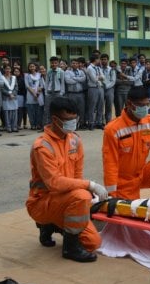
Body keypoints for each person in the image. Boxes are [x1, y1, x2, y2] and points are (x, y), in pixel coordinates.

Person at [26, 96, 108, 262]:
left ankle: (51, 225)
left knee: (93, 243)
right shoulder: (42, 146)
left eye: (74, 119)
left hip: (65, 199)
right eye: (68, 120)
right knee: (82, 196)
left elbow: (77, 175)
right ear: (55, 119)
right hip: (42, 202)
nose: (73, 123)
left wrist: (86, 192)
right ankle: (70, 248)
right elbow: (54, 183)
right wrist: (90, 186)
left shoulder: (75, 140)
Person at [102, 86, 150, 199]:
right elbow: (110, 163)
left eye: (147, 104)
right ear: (129, 104)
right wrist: (112, 195)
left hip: (142, 173)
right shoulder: (113, 129)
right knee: (129, 213)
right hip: (123, 181)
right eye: (141, 105)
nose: (145, 108)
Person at [0, 65, 18, 133]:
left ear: (11, 69)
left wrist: (13, 94)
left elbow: (16, 87)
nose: (8, 70)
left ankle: (14, 127)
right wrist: (9, 94)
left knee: (14, 112)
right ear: (4, 70)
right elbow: (1, 88)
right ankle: (8, 127)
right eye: (6, 69)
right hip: (6, 97)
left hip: (14, 97)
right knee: (7, 113)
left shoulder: (14, 77)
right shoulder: (1, 77)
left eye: (9, 69)